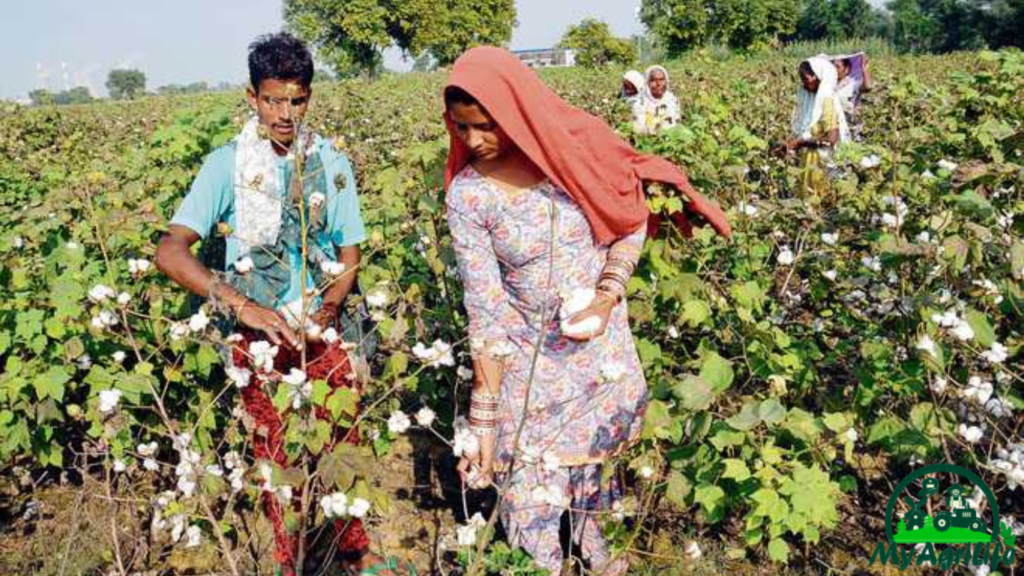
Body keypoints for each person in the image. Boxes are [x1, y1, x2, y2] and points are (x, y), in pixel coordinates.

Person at [442, 47, 730, 576]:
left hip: (600, 352)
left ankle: (597, 550)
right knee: (530, 498)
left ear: (516, 113)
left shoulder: (572, 155)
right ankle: (545, 563)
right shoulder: (470, 197)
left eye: (485, 126)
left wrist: (606, 296)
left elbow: (630, 220)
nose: (473, 141)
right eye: (461, 128)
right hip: (529, 367)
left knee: (597, 482)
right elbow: (485, 308)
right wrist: (485, 414)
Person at [155, 32, 408, 576]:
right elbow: (171, 251)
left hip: (322, 332)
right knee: (275, 456)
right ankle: (287, 558)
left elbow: (350, 247)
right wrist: (242, 306)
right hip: (260, 341)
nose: (285, 113)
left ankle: (355, 550)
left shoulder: (330, 162)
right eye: (273, 100)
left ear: (309, 98)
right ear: (252, 97)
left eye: (296, 100)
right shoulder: (227, 166)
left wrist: (330, 305)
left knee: (344, 441)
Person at [779, 56, 851, 198]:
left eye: (806, 80)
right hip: (810, 160)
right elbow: (804, 129)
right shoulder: (811, 100)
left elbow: (832, 139)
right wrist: (789, 145)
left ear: (818, 77)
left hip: (823, 162)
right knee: (808, 201)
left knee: (821, 199)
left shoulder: (826, 101)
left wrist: (801, 143)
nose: (804, 85)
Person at [831, 52, 871, 140]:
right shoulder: (830, 85)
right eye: (832, 67)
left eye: (837, 67)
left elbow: (867, 87)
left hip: (850, 125)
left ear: (846, 69)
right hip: (835, 126)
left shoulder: (852, 83)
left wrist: (864, 69)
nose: (834, 70)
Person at [638, 65, 681, 134]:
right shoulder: (641, 102)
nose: (658, 84)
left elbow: (677, 122)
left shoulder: (672, 100)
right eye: (653, 80)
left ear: (666, 81)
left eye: (661, 79)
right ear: (647, 83)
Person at [621, 70, 649, 134]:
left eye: (630, 88)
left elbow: (639, 126)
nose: (627, 91)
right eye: (625, 87)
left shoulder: (640, 103)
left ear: (637, 88)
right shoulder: (623, 93)